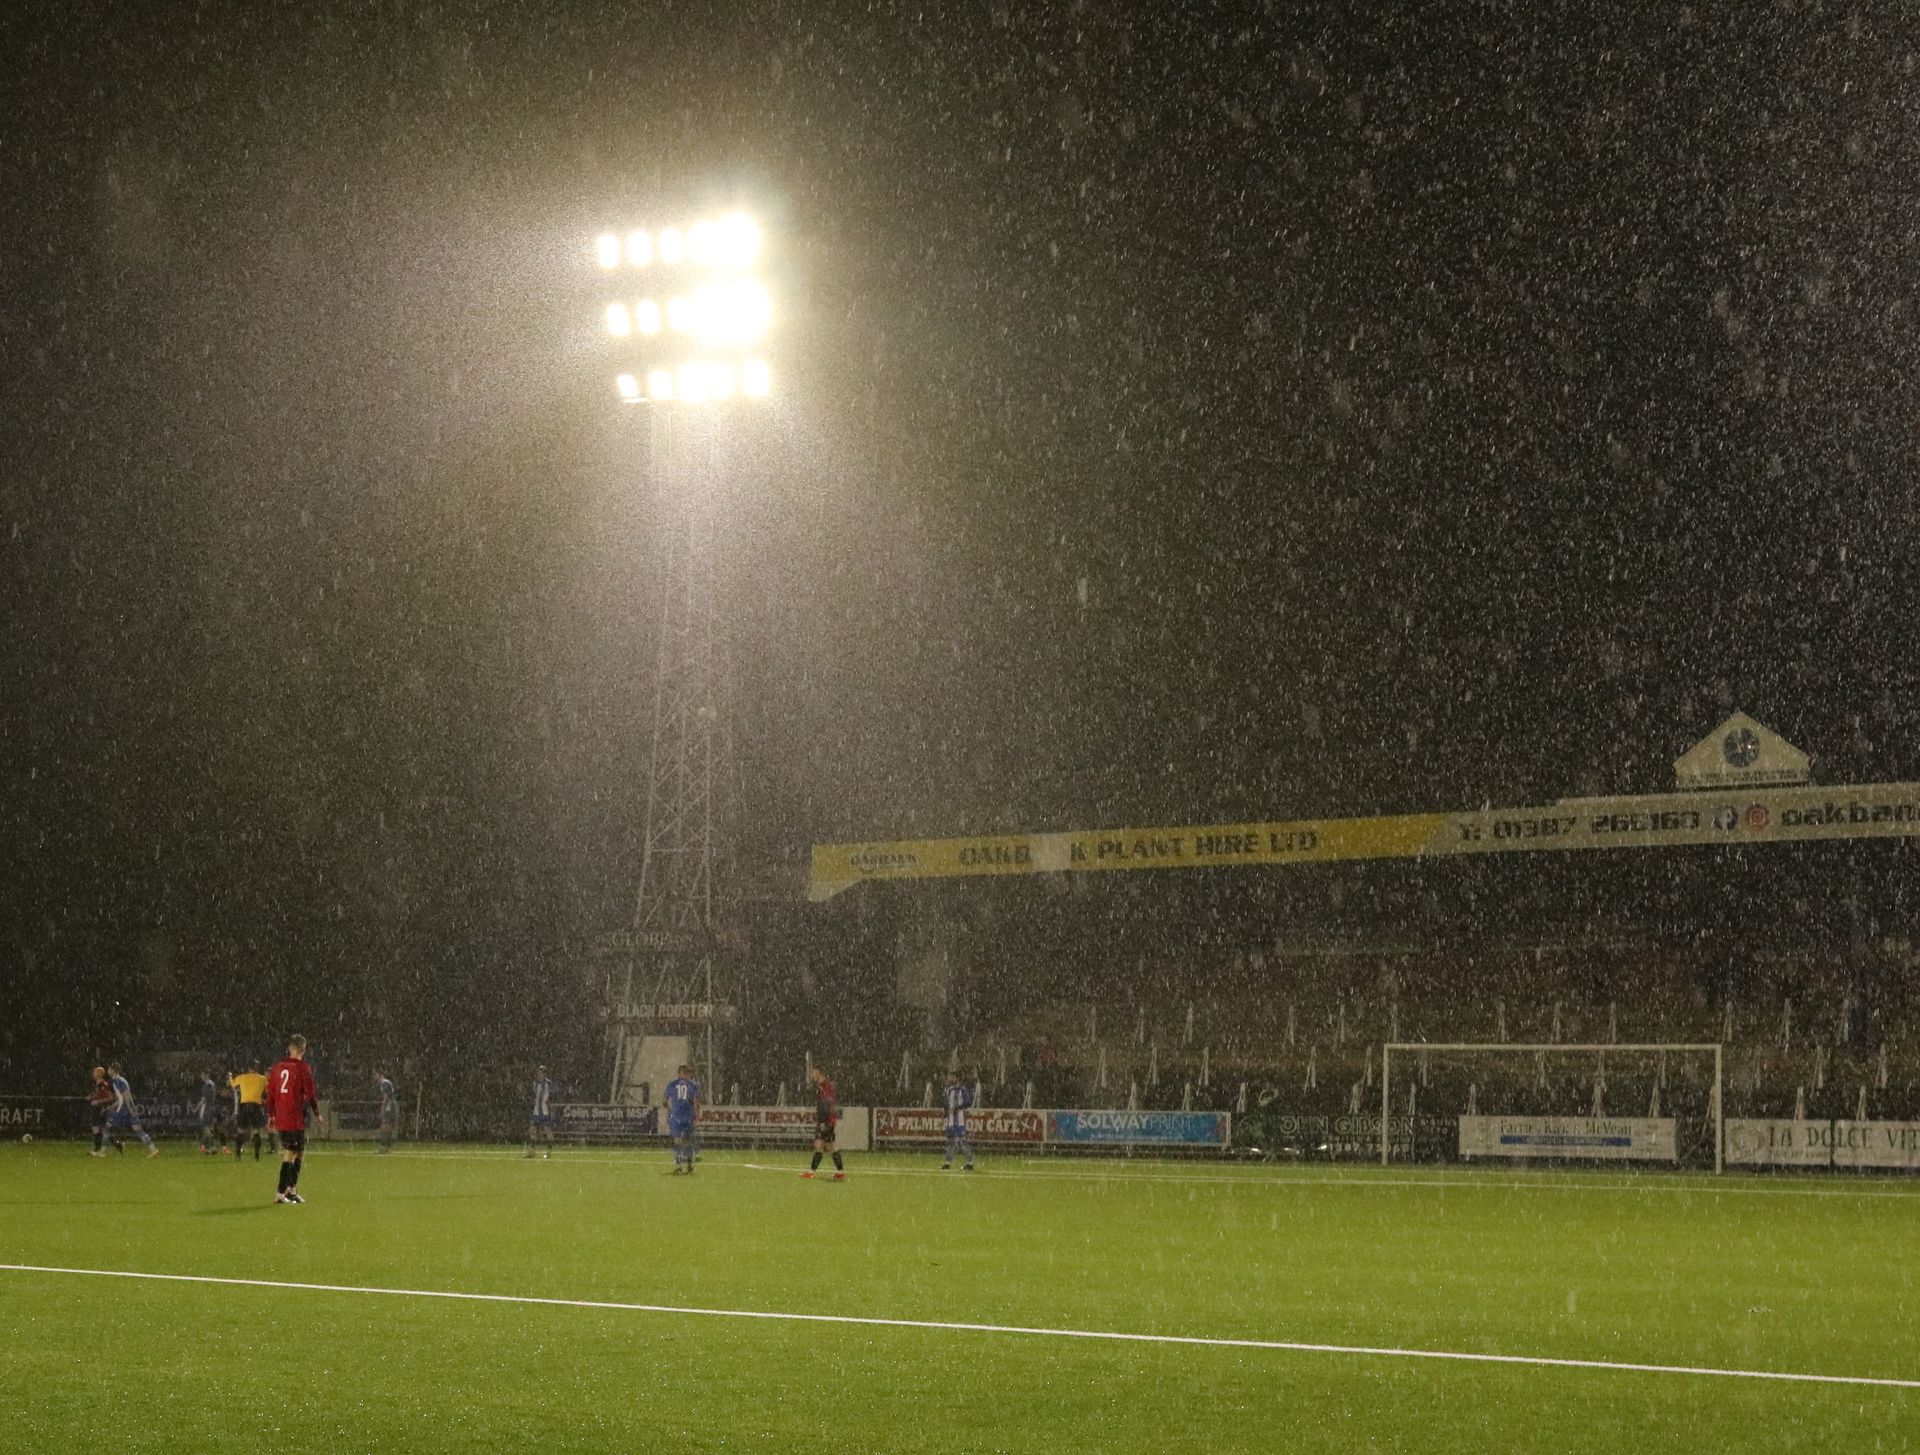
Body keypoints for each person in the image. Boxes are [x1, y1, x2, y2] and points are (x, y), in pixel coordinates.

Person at [264, 1035, 319, 1205]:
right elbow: (310, 1093)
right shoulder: (303, 1068)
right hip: (294, 1116)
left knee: (299, 1151)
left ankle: (291, 1190)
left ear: (290, 1049)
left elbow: (271, 1094)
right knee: (290, 1153)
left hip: (284, 1117)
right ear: (303, 1050)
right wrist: (317, 1112)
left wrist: (271, 1115)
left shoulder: (277, 1067)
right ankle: (281, 1194)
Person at [103, 1062, 160, 1157]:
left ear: (113, 1070)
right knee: (138, 1130)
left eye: (109, 1069)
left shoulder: (118, 1081)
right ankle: (153, 1150)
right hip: (126, 1108)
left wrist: (129, 1109)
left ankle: (102, 1151)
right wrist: (109, 1108)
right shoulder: (120, 1081)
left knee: (106, 1128)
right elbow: (122, 1098)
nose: (108, 1071)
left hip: (122, 1110)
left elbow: (126, 1096)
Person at [800, 1064, 845, 1181]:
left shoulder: (825, 1086)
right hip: (827, 1121)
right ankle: (840, 1172)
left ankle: (811, 1172)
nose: (811, 1075)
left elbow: (827, 1105)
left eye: (813, 1072)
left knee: (820, 1145)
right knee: (829, 1146)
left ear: (819, 1072)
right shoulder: (823, 1086)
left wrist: (825, 1121)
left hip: (826, 1121)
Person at [664, 1063, 700, 1174]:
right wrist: (696, 1117)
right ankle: (689, 1167)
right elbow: (696, 1102)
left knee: (677, 1141)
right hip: (688, 1116)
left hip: (676, 1116)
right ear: (686, 1073)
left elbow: (664, 1101)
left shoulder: (672, 1084)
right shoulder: (693, 1085)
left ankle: (679, 1167)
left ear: (678, 1073)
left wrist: (670, 1110)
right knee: (688, 1141)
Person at [229, 1062, 269, 1161]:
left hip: (244, 1105)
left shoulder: (242, 1077)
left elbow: (233, 1085)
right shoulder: (262, 1079)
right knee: (256, 1131)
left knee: (241, 1131)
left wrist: (230, 1077)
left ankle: (238, 1154)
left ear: (248, 1069)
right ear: (257, 1069)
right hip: (256, 1106)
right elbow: (268, 1090)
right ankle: (256, 1155)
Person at [942, 1073, 975, 1171]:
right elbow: (946, 1102)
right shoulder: (949, 1090)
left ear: (958, 1078)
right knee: (951, 1141)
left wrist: (958, 1108)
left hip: (960, 1120)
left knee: (963, 1141)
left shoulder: (963, 1090)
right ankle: (947, 1163)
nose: (950, 1079)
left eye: (953, 1077)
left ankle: (969, 1163)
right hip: (951, 1120)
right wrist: (945, 1111)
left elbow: (968, 1102)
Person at [526, 1066, 554, 1158]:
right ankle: (532, 1151)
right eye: (538, 1073)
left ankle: (549, 1151)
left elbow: (551, 1095)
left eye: (541, 1073)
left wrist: (550, 1105)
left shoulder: (548, 1083)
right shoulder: (535, 1083)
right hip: (536, 1111)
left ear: (544, 1074)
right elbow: (534, 1095)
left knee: (547, 1130)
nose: (539, 1075)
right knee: (531, 1130)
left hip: (545, 1111)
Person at [86, 1066, 115, 1157]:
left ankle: (101, 1149)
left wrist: (98, 1101)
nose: (93, 1074)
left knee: (101, 1129)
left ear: (99, 1074)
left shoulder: (103, 1084)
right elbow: (99, 1095)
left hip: (100, 1109)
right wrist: (91, 1097)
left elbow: (111, 1097)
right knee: (97, 1129)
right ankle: (98, 1149)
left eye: (94, 1072)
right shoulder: (98, 1084)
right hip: (97, 1109)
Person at [193, 1069, 221, 1155]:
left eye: (202, 1075)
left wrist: (196, 1108)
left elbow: (204, 1099)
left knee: (206, 1128)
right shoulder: (211, 1084)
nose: (201, 1077)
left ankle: (212, 1146)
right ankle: (206, 1147)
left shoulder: (208, 1085)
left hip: (206, 1109)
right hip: (211, 1108)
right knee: (208, 1128)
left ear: (207, 1075)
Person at [373, 1070, 398, 1153]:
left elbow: (386, 1097)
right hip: (392, 1106)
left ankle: (383, 1147)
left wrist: (382, 1108)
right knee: (388, 1127)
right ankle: (387, 1147)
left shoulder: (384, 1083)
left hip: (389, 1107)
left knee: (385, 1126)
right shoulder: (386, 1083)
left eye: (375, 1074)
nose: (373, 1076)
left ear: (379, 1074)